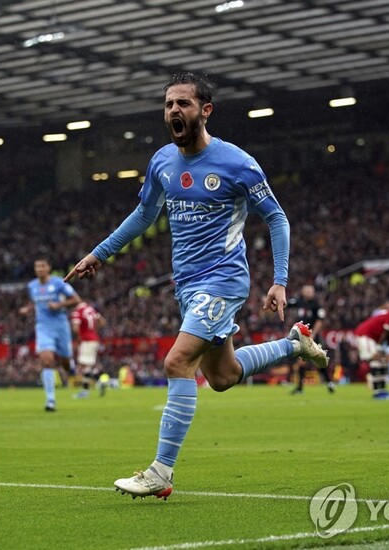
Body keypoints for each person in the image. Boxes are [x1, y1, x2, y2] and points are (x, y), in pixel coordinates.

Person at [65, 72, 328, 500]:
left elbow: (277, 217)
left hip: (223, 279)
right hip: (186, 285)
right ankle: (293, 345)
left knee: (177, 362)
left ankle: (160, 472)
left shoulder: (237, 163)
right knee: (222, 377)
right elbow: (144, 216)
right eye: (169, 104)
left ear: (205, 111)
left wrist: (279, 281)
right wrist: (99, 253)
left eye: (183, 104)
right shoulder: (162, 162)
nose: (174, 111)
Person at [19, 255, 81, 411]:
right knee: (46, 360)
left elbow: (76, 300)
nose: (39, 269)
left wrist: (60, 304)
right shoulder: (32, 286)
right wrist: (28, 309)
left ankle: (70, 365)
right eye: (37, 267)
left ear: (48, 268)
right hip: (43, 327)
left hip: (60, 325)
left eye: (42, 266)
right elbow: (35, 302)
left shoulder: (59, 283)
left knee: (65, 362)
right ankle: (51, 400)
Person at [287, 284, 334, 394]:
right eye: (307, 291)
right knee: (301, 362)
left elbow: (320, 320)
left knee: (319, 360)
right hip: (302, 336)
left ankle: (329, 382)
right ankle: (299, 388)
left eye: (311, 291)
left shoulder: (317, 304)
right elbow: (288, 304)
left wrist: (313, 334)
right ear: (303, 291)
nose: (309, 293)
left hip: (313, 336)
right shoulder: (298, 301)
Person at [70, 301, 107, 398]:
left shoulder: (77, 311)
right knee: (88, 366)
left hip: (86, 341)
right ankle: (89, 389)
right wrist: (93, 330)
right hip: (94, 339)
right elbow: (103, 322)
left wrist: (79, 338)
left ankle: (98, 383)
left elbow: (75, 328)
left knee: (83, 367)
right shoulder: (91, 309)